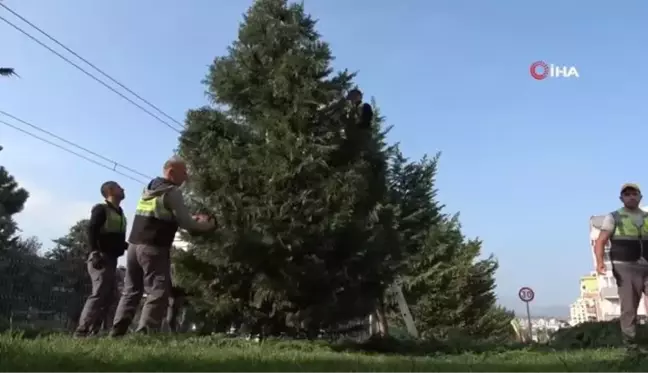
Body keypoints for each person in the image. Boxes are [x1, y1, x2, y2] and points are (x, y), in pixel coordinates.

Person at [110, 156, 215, 336]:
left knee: (131, 290)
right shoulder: (172, 191)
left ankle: (117, 331)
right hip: (154, 246)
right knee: (158, 291)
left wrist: (187, 218)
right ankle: (145, 333)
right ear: (171, 172)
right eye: (184, 173)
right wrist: (206, 225)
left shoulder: (149, 188)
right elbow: (186, 223)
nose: (186, 177)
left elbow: (163, 213)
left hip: (134, 245)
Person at [594, 183, 648, 351]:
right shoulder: (614, 217)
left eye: (634, 194)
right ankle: (630, 345)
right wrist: (600, 262)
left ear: (640, 197)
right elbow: (601, 241)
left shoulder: (647, 217)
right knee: (629, 307)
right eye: (627, 194)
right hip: (625, 267)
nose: (631, 197)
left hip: (646, 265)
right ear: (621, 198)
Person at [74, 181, 127, 337]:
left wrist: (126, 246)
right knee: (99, 294)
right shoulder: (101, 209)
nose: (123, 189)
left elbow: (113, 236)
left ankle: (95, 331)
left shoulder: (120, 213)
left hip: (112, 259)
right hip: (101, 258)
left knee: (110, 296)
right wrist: (95, 252)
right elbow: (92, 230)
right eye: (119, 187)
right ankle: (82, 331)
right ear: (110, 191)